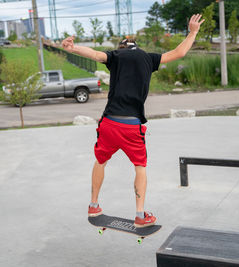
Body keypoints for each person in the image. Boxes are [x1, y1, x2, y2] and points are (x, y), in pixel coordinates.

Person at [62, 14, 204, 227]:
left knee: (101, 161)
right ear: (137, 47)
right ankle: (140, 215)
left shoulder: (116, 56)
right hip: (131, 126)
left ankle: (93, 206)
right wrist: (192, 31)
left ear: (121, 48)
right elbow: (179, 52)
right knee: (140, 166)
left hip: (109, 123)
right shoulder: (148, 57)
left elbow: (95, 54)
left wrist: (73, 48)